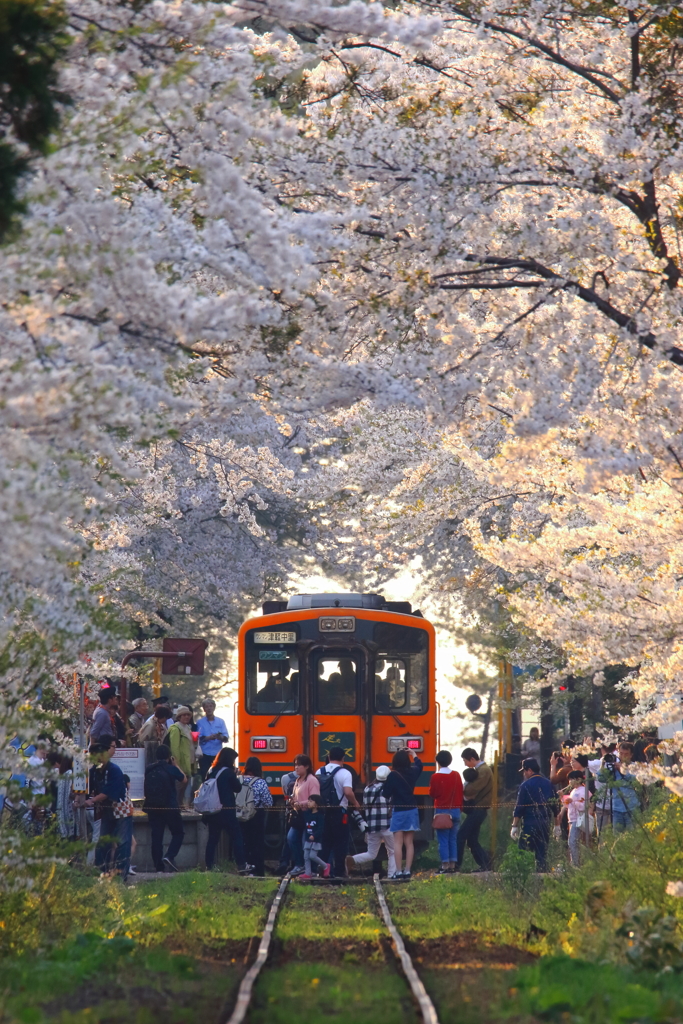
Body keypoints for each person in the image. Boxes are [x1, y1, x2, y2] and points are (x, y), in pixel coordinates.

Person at [346, 764, 397, 878]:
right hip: (388, 826)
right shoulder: (390, 789)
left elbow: (365, 807)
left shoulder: (367, 789)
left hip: (372, 827)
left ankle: (352, 859)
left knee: (371, 854)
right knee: (392, 852)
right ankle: (391, 875)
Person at [204, 747, 249, 873]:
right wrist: (235, 775)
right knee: (237, 837)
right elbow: (237, 788)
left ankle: (209, 866)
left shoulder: (211, 770)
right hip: (227, 810)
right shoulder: (228, 772)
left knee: (213, 839)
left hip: (213, 810)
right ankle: (241, 865)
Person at [317, 746, 360, 877]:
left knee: (324, 843)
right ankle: (339, 873)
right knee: (340, 844)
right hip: (339, 812)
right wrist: (356, 803)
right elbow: (347, 792)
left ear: (329, 757)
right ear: (343, 759)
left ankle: (324, 872)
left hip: (323, 812)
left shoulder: (319, 771)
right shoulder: (345, 773)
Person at [143, 743, 186, 872]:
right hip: (170, 806)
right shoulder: (170, 768)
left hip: (153, 806)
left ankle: (158, 867)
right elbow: (184, 779)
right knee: (178, 832)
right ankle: (169, 855)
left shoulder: (149, 769)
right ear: (169, 756)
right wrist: (175, 764)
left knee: (156, 836)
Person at [381, 748, 423, 879]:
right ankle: (408, 871)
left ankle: (398, 872)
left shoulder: (393, 775)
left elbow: (385, 794)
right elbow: (420, 766)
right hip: (412, 809)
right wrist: (413, 754)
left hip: (399, 810)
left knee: (397, 843)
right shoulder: (413, 772)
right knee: (409, 843)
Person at [510, 757, 558, 871]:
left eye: (525, 771)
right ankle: (542, 876)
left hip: (530, 822)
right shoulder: (548, 784)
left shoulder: (525, 785)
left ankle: (522, 874)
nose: (524, 774)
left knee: (523, 850)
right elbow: (555, 806)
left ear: (530, 770)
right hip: (545, 822)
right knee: (541, 853)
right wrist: (557, 825)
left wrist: (514, 826)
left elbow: (519, 807)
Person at [86, 735, 126, 871]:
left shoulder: (114, 770)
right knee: (103, 841)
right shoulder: (94, 771)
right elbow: (88, 789)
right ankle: (101, 871)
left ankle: (121, 873)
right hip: (106, 810)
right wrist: (79, 796)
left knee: (123, 842)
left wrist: (92, 800)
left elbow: (109, 793)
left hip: (121, 809)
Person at [457, 748, 493, 871]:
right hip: (478, 809)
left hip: (479, 809)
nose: (465, 764)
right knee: (471, 840)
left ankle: (456, 865)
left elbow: (473, 788)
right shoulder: (481, 770)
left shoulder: (484, 770)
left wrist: (460, 790)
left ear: (472, 759)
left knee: (461, 835)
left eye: (465, 761)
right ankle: (485, 863)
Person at [429, 750, 463, 873]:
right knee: (453, 839)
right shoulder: (456, 775)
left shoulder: (435, 777)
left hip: (442, 811)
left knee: (443, 840)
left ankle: (445, 865)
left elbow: (433, 794)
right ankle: (453, 865)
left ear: (437, 762)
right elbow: (460, 792)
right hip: (456, 810)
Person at [239, 756, 273, 877]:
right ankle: (257, 870)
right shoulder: (260, 782)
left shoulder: (239, 780)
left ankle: (244, 867)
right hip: (256, 815)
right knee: (257, 843)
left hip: (240, 815)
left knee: (243, 842)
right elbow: (268, 801)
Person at [289, 755, 321, 875]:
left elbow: (315, 799)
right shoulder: (298, 781)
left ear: (306, 766)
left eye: (299, 765)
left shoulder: (312, 780)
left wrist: (300, 803)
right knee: (291, 838)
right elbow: (294, 796)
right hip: (298, 815)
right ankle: (299, 864)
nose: (296, 767)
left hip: (309, 815)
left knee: (306, 843)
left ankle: (310, 869)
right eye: (295, 765)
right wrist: (292, 801)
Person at [595, 748, 640, 833]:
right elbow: (601, 778)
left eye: (626, 754)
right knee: (617, 836)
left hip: (632, 806)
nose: (623, 756)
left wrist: (622, 770)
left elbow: (635, 780)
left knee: (634, 835)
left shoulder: (634, 767)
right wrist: (603, 765)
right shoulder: (612, 768)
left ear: (631, 755)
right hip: (616, 808)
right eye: (621, 754)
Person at [556, 769, 593, 866]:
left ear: (578, 779)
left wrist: (572, 801)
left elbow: (583, 806)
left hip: (578, 819)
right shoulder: (573, 791)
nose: (570, 782)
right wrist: (562, 797)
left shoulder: (584, 791)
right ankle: (576, 861)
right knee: (573, 841)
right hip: (573, 819)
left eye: (571, 779)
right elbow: (568, 805)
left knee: (572, 841)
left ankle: (575, 863)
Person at [167, 706, 197, 808]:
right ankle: (176, 806)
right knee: (178, 786)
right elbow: (174, 748)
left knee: (184, 786)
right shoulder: (175, 729)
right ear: (179, 716)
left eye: (188, 715)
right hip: (181, 763)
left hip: (189, 761)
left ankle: (180, 805)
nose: (186, 717)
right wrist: (176, 764)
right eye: (184, 715)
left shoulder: (188, 728)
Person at [196, 699, 229, 779]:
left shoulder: (220, 722)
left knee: (217, 776)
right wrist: (208, 738)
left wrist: (219, 737)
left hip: (217, 754)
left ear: (214, 708)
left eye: (211, 706)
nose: (209, 708)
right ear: (204, 709)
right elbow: (197, 738)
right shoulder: (200, 722)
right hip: (204, 754)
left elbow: (226, 738)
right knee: (205, 776)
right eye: (206, 707)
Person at [301, 794, 331, 879]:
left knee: (312, 856)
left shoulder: (320, 816)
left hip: (315, 840)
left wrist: (314, 835)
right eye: (308, 800)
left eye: (311, 801)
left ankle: (325, 866)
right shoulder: (307, 813)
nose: (308, 803)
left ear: (316, 804)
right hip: (308, 838)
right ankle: (308, 873)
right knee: (306, 856)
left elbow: (321, 828)